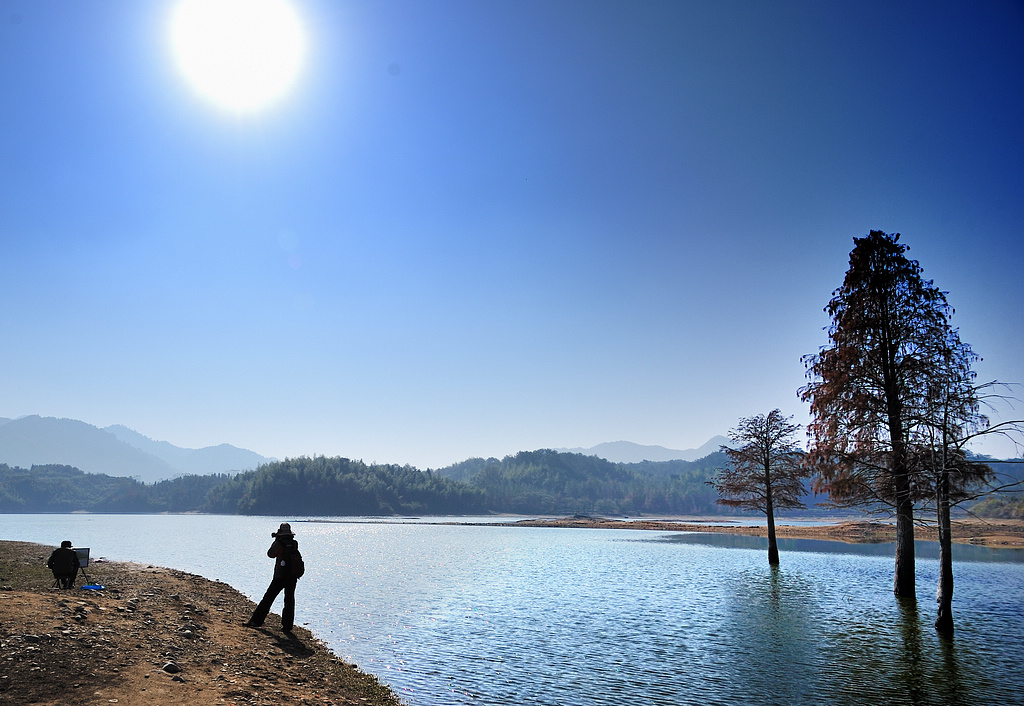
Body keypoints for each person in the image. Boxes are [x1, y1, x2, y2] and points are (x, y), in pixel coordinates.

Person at [244, 522, 304, 632]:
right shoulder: (294, 543)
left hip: (280, 576)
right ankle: (287, 627)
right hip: (292, 576)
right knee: (289, 600)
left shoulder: (279, 543)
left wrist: (276, 541)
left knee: (268, 598)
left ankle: (256, 621)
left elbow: (270, 554)